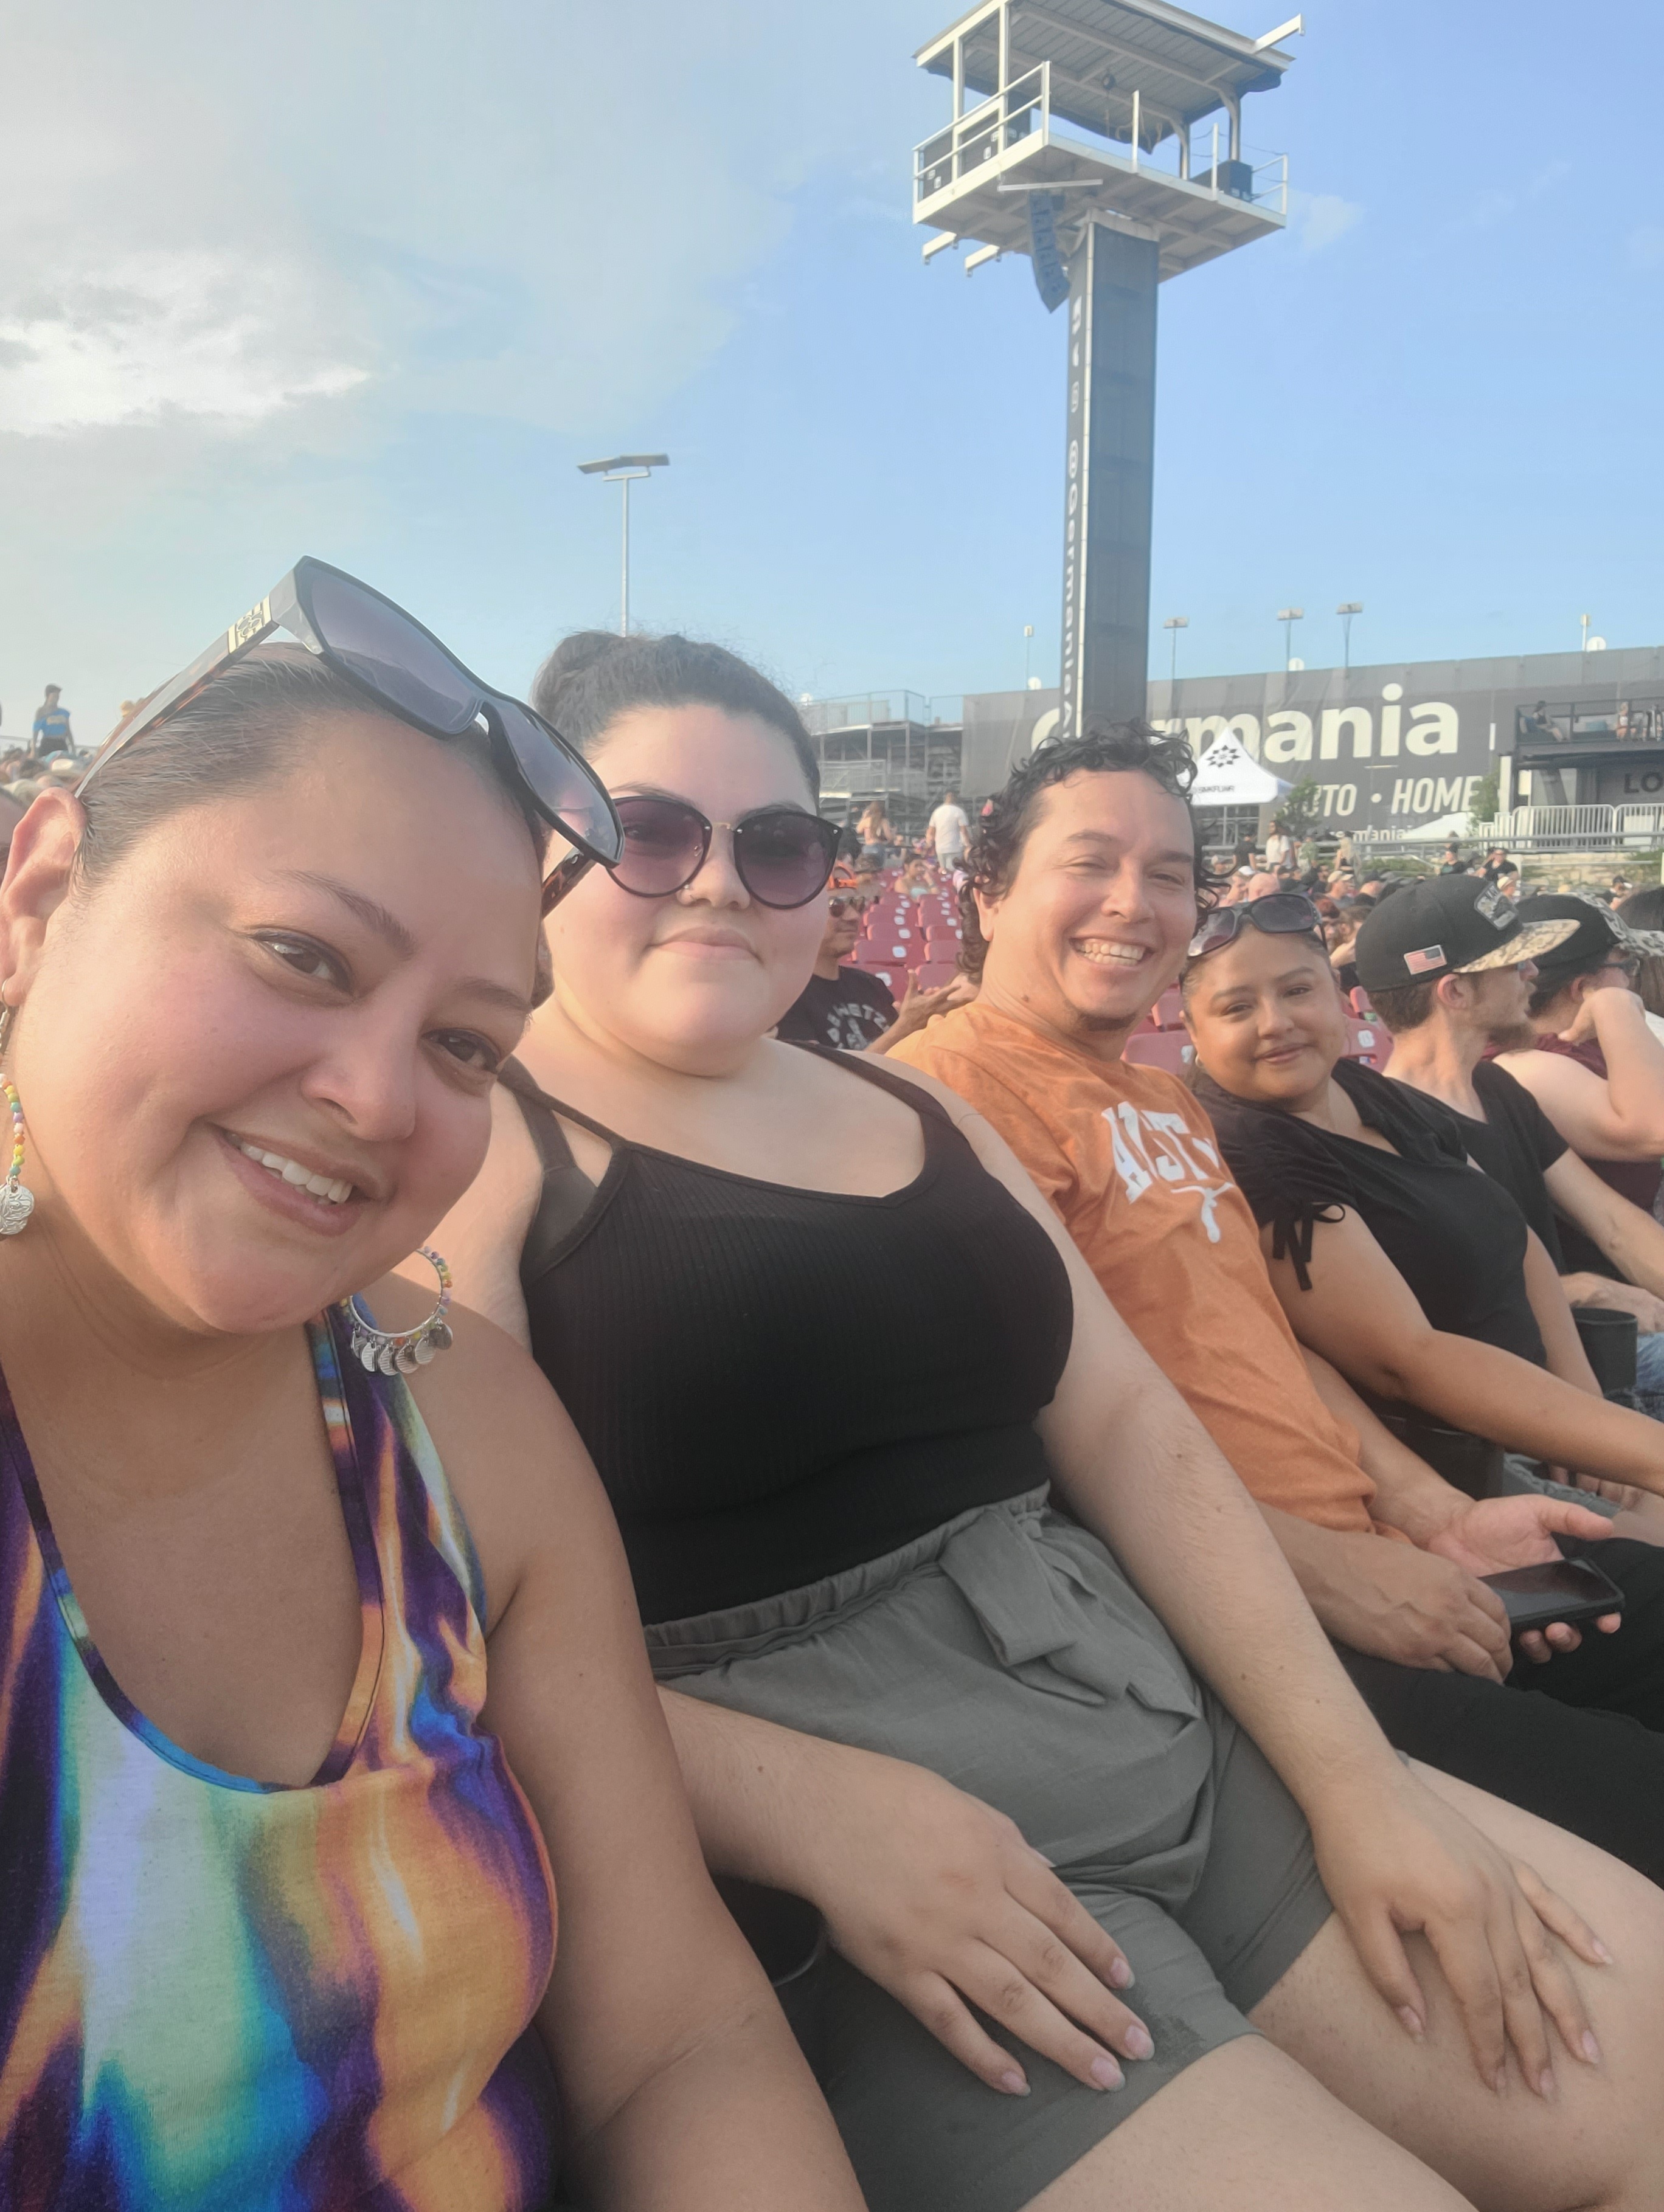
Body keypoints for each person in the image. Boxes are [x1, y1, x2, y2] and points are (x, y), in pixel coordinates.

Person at [428, 632, 1664, 2212]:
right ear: (550, 841)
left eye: (779, 842)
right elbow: (438, 1625)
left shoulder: (916, 1107)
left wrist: (1360, 1783)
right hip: (884, 1857)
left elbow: (1134, 1434)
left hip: (1150, 1710)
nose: (720, 880)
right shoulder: (476, 1141)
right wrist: (801, 1804)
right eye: (652, 831)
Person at [0, 576, 862, 2211]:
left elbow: (678, 2036)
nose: (378, 1095)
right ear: (38, 895)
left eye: (467, 1044)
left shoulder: (463, 1423)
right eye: (304, 954)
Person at [887, 725, 1664, 1883]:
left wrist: (1432, 1511)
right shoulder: (937, 1101)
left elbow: (1271, 1344)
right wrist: (1324, 1570)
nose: (1133, 901)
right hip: (1234, 1625)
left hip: (1381, 1556)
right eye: (1089, 862)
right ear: (988, 894)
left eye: (1167, 873)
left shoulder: (1166, 1102)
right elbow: (1020, 1463)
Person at [1182, 906, 1664, 1510]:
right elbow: (1406, 1361)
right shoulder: (1252, 1150)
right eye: (1236, 1008)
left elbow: (1518, 1240)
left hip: (1557, 1420)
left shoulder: (1365, 1090)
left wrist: (1589, 1409)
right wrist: (1630, 1448)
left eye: (1297, 991)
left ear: (1337, 996)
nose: (1276, 1023)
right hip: (1470, 1464)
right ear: (1193, 1031)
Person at [1357, 877, 1664, 1408]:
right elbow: (1432, 1305)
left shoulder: (1497, 1088)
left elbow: (1615, 1226)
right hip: (1525, 1391)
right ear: (1455, 992)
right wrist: (1574, 1290)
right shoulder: (1387, 1128)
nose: (1534, 973)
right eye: (1515, 962)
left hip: (1581, 1359)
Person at [1494, 894, 1664, 1263]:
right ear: (1581, 987)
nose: (1632, 980)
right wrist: (1615, 1004)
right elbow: (1657, 1129)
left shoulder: (1586, 1045)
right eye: (1627, 966)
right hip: (1607, 1280)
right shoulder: (1524, 1066)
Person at [926, 788, 971, 873]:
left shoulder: (937, 812)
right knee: (954, 872)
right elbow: (964, 831)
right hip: (955, 848)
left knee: (944, 872)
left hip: (940, 848)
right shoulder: (959, 811)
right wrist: (968, 845)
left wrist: (928, 845)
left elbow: (931, 832)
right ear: (954, 797)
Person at [29, 685, 71, 759]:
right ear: (48, 696)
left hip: (61, 743)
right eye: (54, 696)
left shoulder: (64, 713)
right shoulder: (41, 712)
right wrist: (33, 750)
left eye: (58, 696)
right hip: (48, 743)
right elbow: (36, 731)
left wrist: (73, 747)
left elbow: (68, 731)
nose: (57, 698)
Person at [856, 800, 894, 866]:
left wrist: (864, 817)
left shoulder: (867, 820)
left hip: (867, 847)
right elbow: (889, 837)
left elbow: (858, 830)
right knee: (879, 868)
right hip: (878, 847)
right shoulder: (883, 821)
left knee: (867, 867)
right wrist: (892, 837)